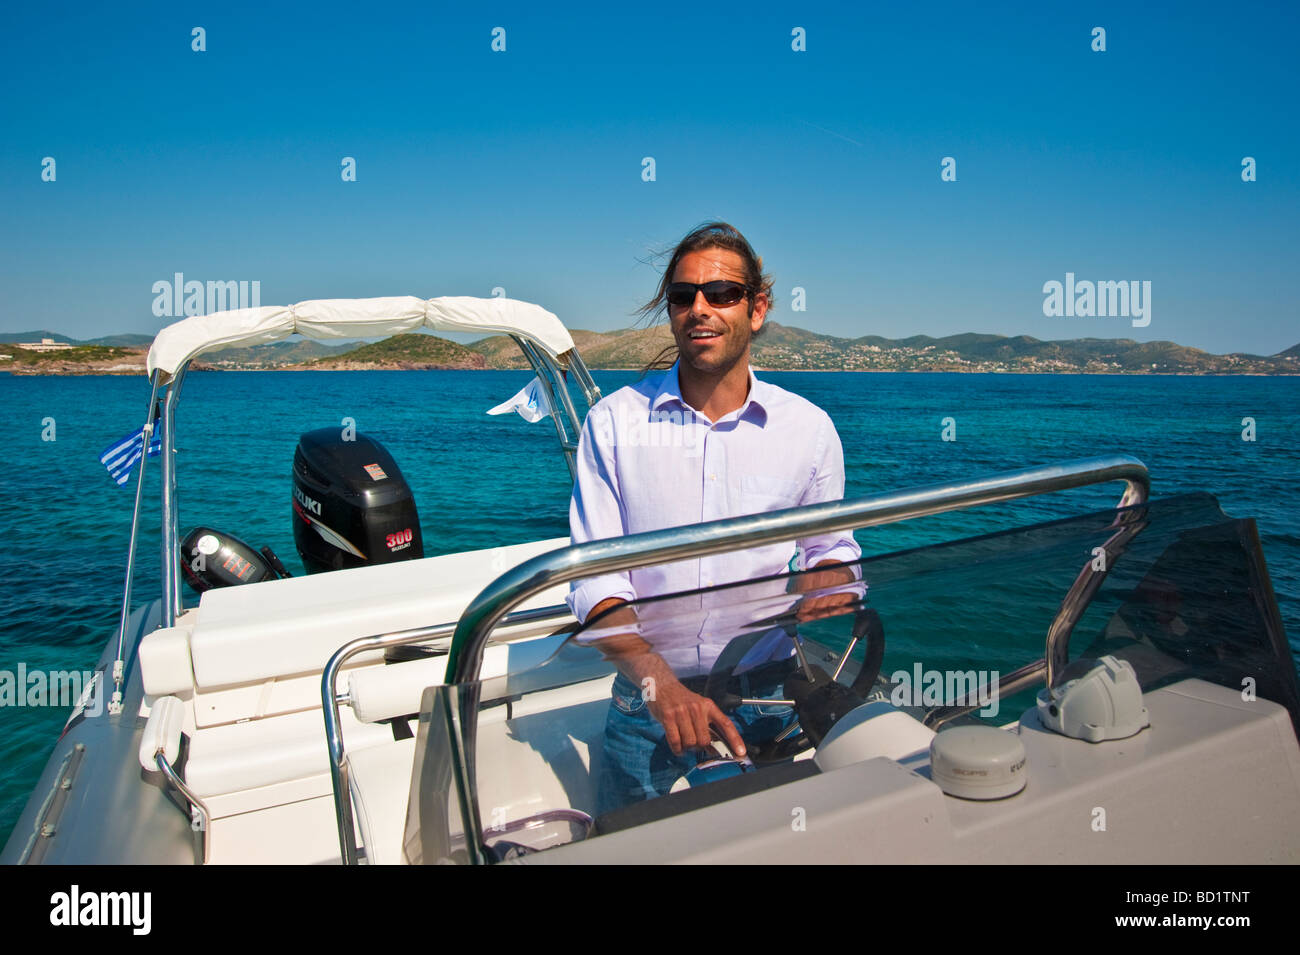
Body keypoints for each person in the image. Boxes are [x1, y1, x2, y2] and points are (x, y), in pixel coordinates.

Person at [566, 222, 863, 814]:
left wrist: (828, 580)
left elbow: (832, 548)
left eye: (721, 293)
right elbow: (594, 582)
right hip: (646, 706)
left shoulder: (808, 429)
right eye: (683, 295)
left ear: (757, 309)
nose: (699, 308)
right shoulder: (612, 424)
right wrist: (660, 686)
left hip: (772, 697)